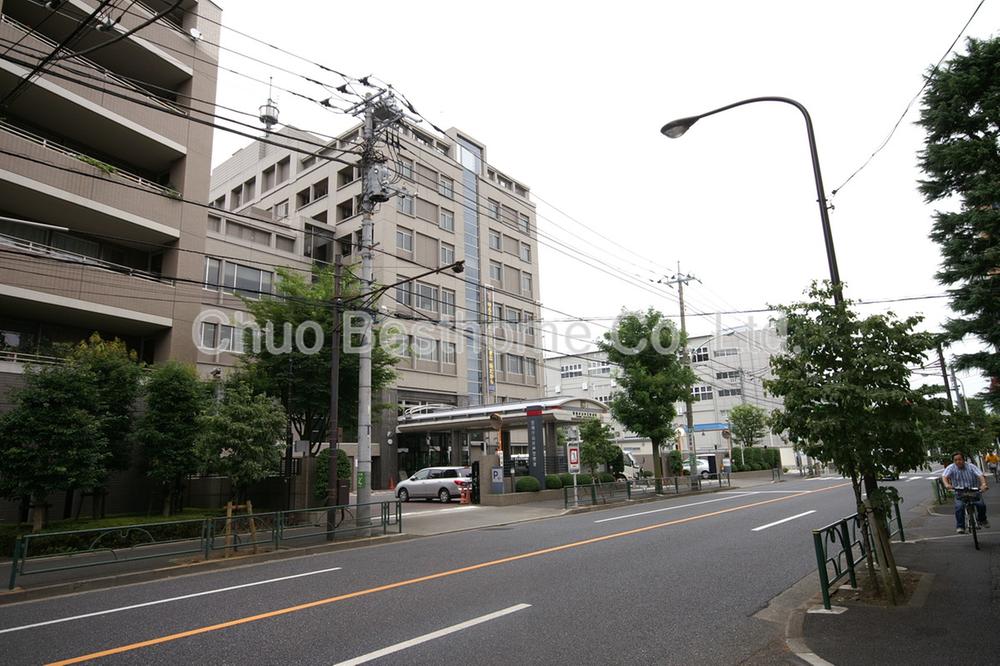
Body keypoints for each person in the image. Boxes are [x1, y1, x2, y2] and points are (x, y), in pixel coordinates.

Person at [941, 452, 989, 533]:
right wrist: (947, 484)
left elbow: (980, 475)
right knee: (959, 507)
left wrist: (983, 484)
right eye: (955, 460)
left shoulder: (971, 467)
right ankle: (960, 526)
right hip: (959, 492)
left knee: (981, 505)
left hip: (973, 491)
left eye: (960, 459)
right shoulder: (951, 467)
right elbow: (944, 476)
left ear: (964, 460)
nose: (958, 462)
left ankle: (982, 520)